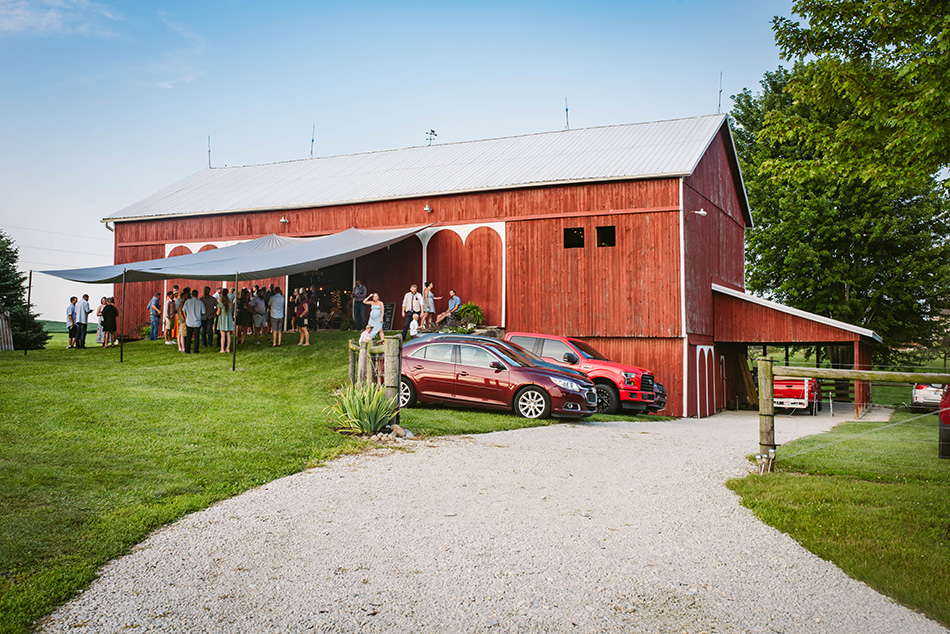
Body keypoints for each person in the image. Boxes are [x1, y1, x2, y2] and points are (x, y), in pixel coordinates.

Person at [182, 288, 204, 354]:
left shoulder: (187, 301)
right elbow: (203, 312)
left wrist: (185, 317)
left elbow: (183, 310)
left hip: (189, 321)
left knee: (188, 337)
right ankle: (196, 350)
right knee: (196, 337)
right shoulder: (200, 302)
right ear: (197, 294)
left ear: (192, 294)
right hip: (197, 322)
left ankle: (187, 350)